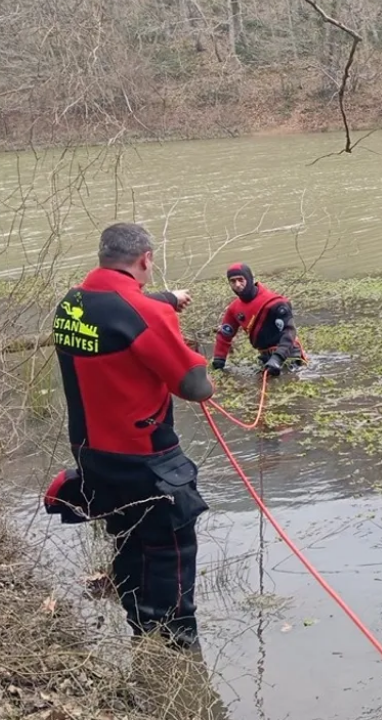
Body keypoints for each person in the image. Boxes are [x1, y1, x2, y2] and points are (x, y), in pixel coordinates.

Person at [43, 222, 215, 651]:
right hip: (144, 457)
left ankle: (140, 630)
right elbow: (195, 387)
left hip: (92, 456)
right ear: (145, 260)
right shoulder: (147, 315)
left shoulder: (71, 304)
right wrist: (177, 332)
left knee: (128, 539)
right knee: (170, 548)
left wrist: (168, 301)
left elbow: (116, 312)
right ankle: (177, 650)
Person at [210, 262, 305, 376]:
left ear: (249, 279)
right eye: (233, 281)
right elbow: (224, 335)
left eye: (241, 280)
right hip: (264, 356)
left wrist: (278, 358)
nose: (238, 285)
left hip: (288, 353)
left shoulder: (276, 303)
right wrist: (218, 361)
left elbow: (289, 332)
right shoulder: (234, 309)